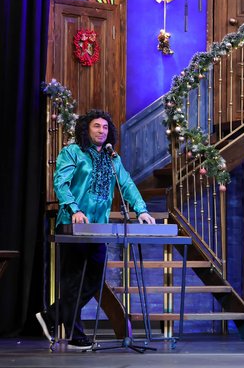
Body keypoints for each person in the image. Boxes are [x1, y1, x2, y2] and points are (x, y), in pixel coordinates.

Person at [35, 109, 155, 349]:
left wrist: (141, 209)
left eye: (105, 127)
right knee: (73, 281)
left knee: (93, 280)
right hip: (73, 224)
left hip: (99, 227)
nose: (102, 131)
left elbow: (127, 184)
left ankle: (51, 316)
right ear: (86, 129)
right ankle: (75, 336)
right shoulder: (72, 152)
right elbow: (60, 183)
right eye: (97, 126)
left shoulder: (112, 158)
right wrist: (74, 208)